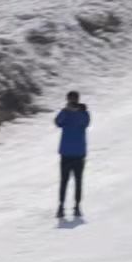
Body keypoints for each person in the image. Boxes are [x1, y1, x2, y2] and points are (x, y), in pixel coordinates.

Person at [55, 89, 89, 219]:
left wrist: (79, 111)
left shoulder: (84, 113)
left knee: (78, 181)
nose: (72, 102)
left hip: (78, 153)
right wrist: (65, 111)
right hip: (67, 153)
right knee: (64, 181)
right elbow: (58, 122)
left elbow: (85, 123)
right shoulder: (65, 113)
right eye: (70, 99)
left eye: (74, 99)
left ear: (78, 100)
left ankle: (77, 206)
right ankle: (61, 207)